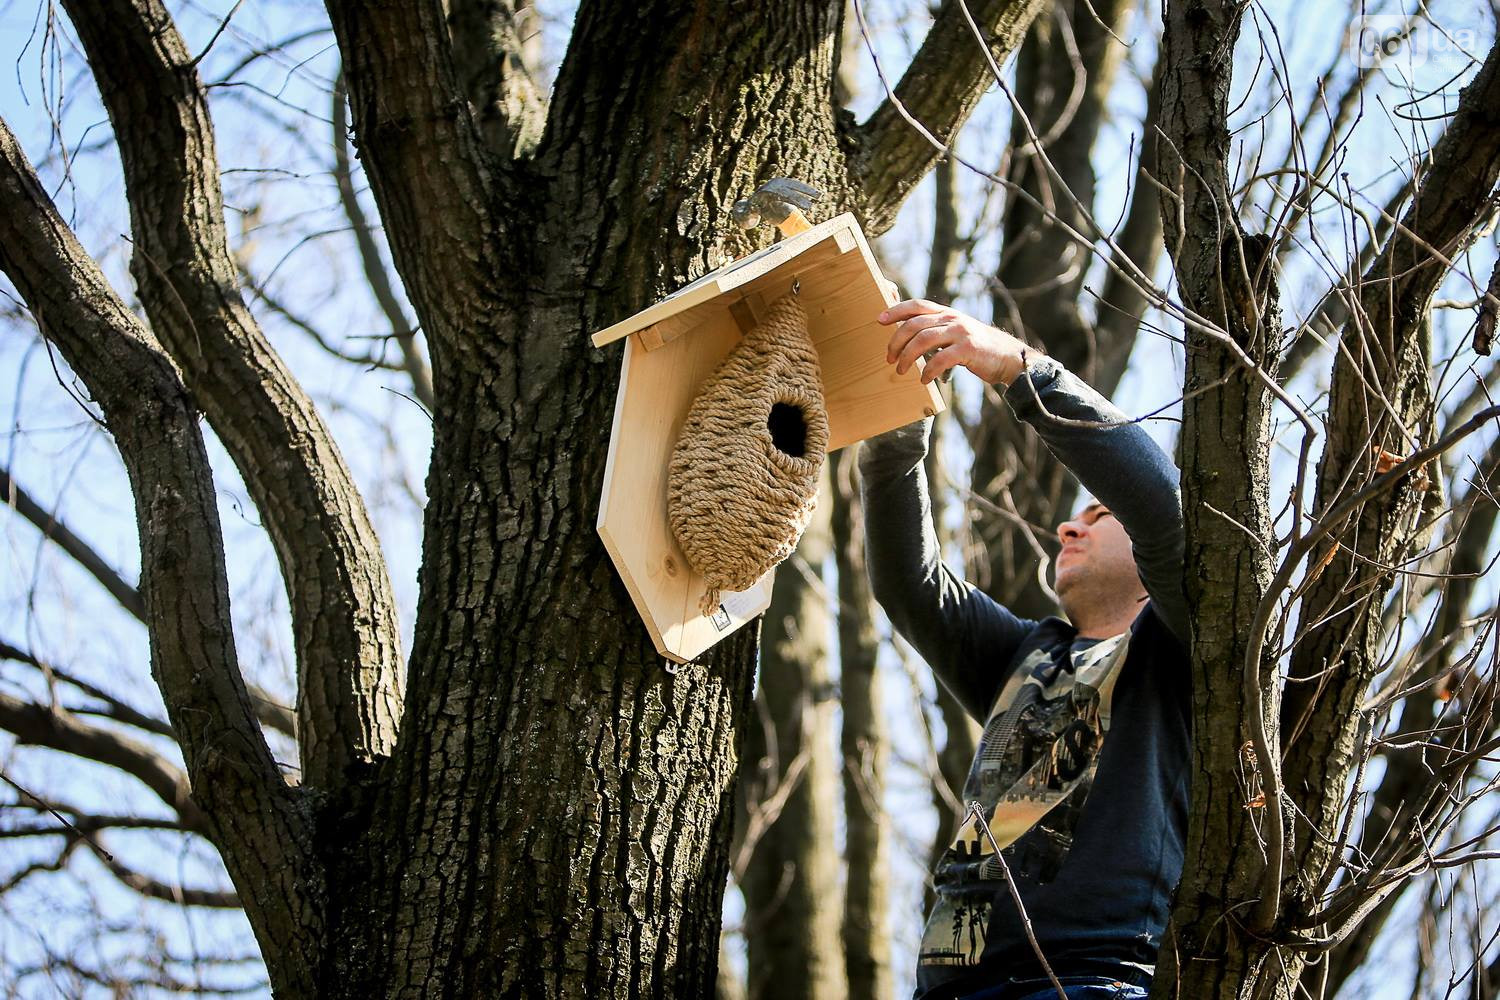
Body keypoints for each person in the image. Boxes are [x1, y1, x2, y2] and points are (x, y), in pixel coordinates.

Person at [862, 299, 1192, 1000]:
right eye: (1072, 520)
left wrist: (1017, 367)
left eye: (1099, 517)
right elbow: (910, 585)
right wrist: (896, 432)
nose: (1070, 529)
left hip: (1089, 983)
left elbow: (1165, 511)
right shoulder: (1026, 655)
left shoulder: (1180, 647)